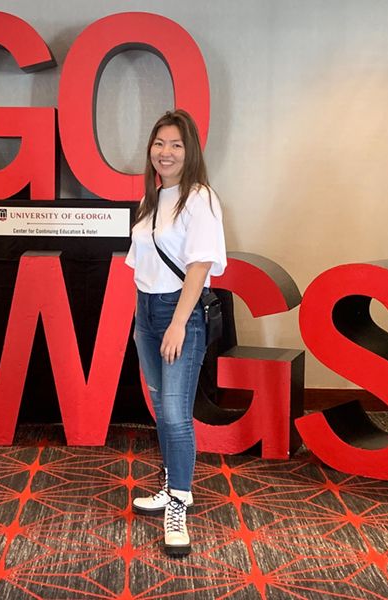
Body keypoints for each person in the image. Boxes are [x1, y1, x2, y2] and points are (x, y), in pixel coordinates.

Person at [126, 109, 227, 556]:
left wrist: (178, 323)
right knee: (160, 408)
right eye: (159, 143)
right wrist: (142, 320)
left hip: (176, 311)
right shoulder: (154, 197)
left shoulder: (198, 197)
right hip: (146, 311)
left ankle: (179, 506)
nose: (165, 153)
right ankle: (170, 487)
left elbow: (200, 265)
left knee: (174, 413)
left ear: (190, 153)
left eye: (176, 145)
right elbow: (142, 267)